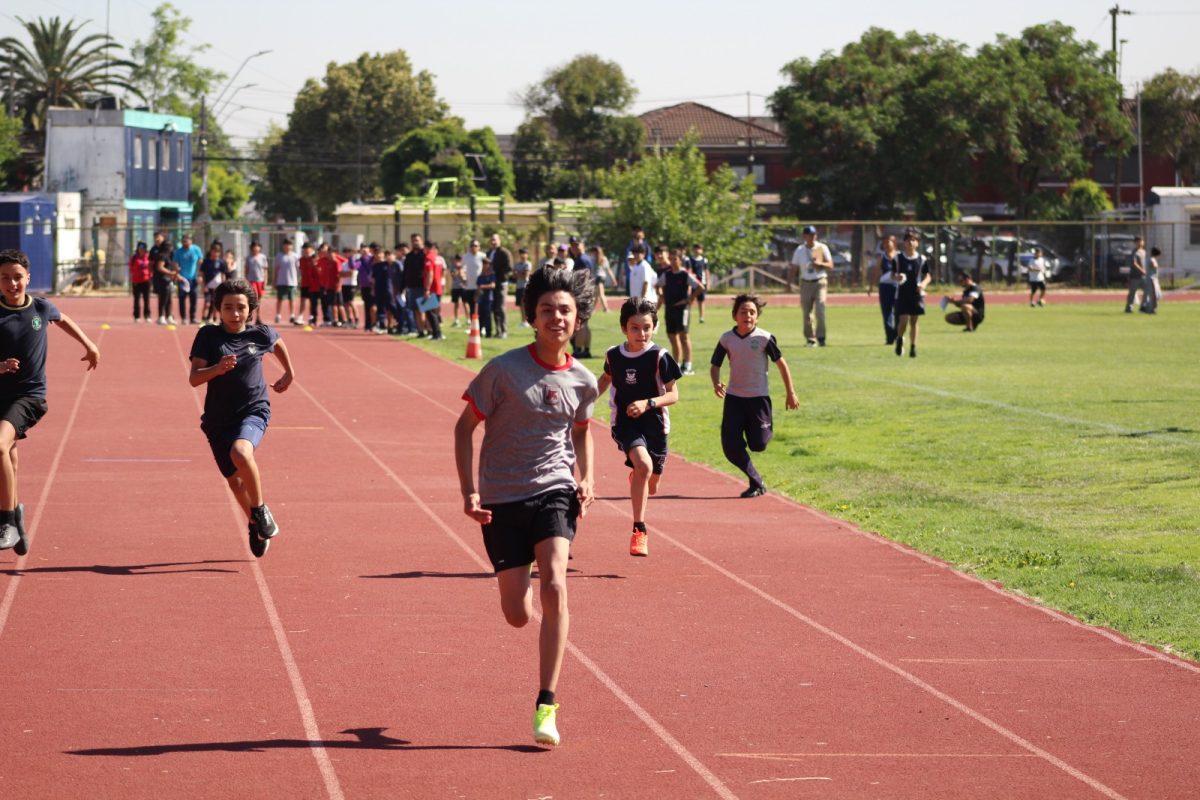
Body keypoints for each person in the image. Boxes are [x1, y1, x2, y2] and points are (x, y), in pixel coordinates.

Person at [453, 265, 598, 748]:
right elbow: (463, 428)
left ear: (578, 320)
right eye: (547, 310)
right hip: (501, 496)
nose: (556, 318)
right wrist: (468, 491)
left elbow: (580, 431)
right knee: (517, 612)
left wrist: (586, 477)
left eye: (565, 310)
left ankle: (546, 703)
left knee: (556, 582)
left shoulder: (582, 379)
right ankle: (524, 589)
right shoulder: (503, 370)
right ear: (532, 318)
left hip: (555, 490)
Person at [0, 249, 100, 554]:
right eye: (5, 278)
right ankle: (16, 515)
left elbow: (63, 318)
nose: (12, 283)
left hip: (29, 396)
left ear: (28, 278)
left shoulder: (41, 308)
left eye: (18, 277)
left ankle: (5, 520)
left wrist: (89, 344)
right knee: (10, 455)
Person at [188, 279, 295, 558]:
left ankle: (260, 511)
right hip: (217, 420)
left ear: (251, 310)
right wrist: (217, 369)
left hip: (254, 410)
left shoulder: (260, 334)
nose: (235, 314)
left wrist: (289, 372)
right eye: (228, 308)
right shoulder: (208, 336)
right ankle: (254, 523)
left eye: (241, 308)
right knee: (235, 482)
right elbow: (194, 379)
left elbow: (277, 341)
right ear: (218, 309)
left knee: (241, 451)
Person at [595, 298, 681, 557]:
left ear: (654, 327)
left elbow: (673, 394)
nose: (640, 333)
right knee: (643, 465)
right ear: (624, 328)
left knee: (651, 483)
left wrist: (648, 403)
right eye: (634, 328)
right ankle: (639, 530)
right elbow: (606, 379)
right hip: (624, 422)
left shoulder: (660, 357)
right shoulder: (613, 355)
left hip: (655, 424)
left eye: (646, 327)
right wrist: (583, 403)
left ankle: (640, 477)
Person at [710, 293, 799, 498]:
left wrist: (790, 393)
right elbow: (715, 366)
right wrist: (716, 383)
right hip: (734, 399)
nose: (747, 316)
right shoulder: (727, 339)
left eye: (752, 312)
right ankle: (756, 481)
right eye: (743, 312)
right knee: (731, 447)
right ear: (735, 316)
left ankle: (757, 440)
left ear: (757, 317)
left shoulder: (764, 338)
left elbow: (782, 365)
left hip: (758, 399)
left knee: (758, 444)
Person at [655, 246, 703, 375]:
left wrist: (689, 299)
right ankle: (676, 364)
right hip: (670, 309)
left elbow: (700, 287)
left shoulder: (685, 274)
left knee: (684, 336)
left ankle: (687, 364)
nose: (672, 261)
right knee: (672, 337)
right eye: (670, 259)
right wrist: (661, 296)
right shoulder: (667, 274)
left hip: (682, 310)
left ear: (680, 260)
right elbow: (657, 285)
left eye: (675, 259)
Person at [791, 225, 833, 347]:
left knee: (820, 309)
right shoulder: (800, 250)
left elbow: (830, 265)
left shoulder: (821, 247)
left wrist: (821, 263)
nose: (812, 237)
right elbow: (794, 267)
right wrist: (790, 282)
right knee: (806, 312)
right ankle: (810, 338)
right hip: (805, 283)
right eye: (809, 235)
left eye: (813, 235)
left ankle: (821, 337)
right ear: (804, 236)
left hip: (820, 281)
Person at [893, 229, 931, 358]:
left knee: (914, 321)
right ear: (904, 242)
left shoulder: (922, 259)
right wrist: (897, 278)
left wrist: (923, 285)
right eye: (908, 240)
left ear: (917, 243)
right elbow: (892, 275)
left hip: (916, 294)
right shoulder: (898, 258)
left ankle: (913, 347)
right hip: (902, 293)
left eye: (913, 240)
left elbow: (927, 276)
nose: (911, 243)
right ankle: (899, 338)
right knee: (903, 320)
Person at [172, 233, 203, 325]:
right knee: (182, 299)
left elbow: (201, 262)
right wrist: (178, 275)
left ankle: (192, 317)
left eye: (187, 241)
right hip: (182, 279)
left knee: (193, 298)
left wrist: (200, 275)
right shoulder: (178, 252)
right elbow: (175, 263)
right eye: (184, 241)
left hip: (193, 279)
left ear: (191, 241)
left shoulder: (196, 249)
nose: (185, 243)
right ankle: (183, 318)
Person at [487, 233, 512, 339]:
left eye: (495, 240)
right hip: (491, 284)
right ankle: (497, 331)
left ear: (499, 240)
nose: (493, 242)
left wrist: (498, 274)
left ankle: (504, 331)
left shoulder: (504, 252)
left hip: (501, 283)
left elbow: (509, 267)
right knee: (494, 308)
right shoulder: (489, 253)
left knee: (501, 307)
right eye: (491, 240)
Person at [876, 234, 899, 345]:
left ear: (894, 243)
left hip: (898, 286)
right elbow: (876, 272)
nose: (885, 244)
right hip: (885, 286)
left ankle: (897, 333)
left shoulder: (900, 256)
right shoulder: (882, 257)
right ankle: (890, 337)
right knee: (887, 312)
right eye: (884, 243)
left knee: (899, 311)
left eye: (888, 242)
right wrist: (872, 286)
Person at [403, 234, 428, 336]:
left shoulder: (425, 254)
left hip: (423, 286)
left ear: (421, 241)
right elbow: (406, 272)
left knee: (424, 309)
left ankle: (429, 329)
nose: (415, 242)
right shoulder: (409, 256)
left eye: (417, 240)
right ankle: (420, 330)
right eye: (413, 240)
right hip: (412, 286)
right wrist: (404, 286)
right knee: (415, 310)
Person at [198, 241, 226, 325]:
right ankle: (203, 319)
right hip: (208, 286)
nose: (215, 253)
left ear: (219, 253)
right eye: (214, 251)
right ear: (211, 251)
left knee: (215, 304)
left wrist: (223, 286)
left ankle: (214, 319)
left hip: (217, 287)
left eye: (217, 252)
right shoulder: (206, 262)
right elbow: (201, 274)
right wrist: (203, 285)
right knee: (207, 303)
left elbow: (223, 274)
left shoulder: (221, 262)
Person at [422, 241, 445, 340]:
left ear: (427, 247)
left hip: (432, 288)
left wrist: (427, 289)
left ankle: (437, 334)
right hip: (438, 287)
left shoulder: (429, 257)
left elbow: (430, 274)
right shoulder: (437, 258)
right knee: (434, 311)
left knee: (430, 312)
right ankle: (438, 333)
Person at [273, 239, 299, 325]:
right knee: (279, 299)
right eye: (286, 245)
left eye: (289, 245)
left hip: (292, 282)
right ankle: (278, 315)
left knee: (292, 299)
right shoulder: (279, 256)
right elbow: (276, 269)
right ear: (283, 246)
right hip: (281, 281)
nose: (287, 246)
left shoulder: (295, 256)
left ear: (292, 246)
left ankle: (292, 315)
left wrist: (299, 280)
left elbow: (298, 269)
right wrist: (275, 281)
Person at [685, 243, 709, 323]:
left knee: (701, 301)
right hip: (692, 282)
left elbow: (706, 272)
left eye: (699, 248)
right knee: (690, 299)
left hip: (701, 282)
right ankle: (687, 315)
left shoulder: (704, 260)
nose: (697, 250)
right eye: (696, 248)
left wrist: (708, 282)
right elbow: (689, 270)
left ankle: (701, 317)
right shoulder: (689, 260)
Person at [152, 248, 177, 325]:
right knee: (163, 299)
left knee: (169, 299)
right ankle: (161, 316)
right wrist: (170, 273)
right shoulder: (162, 256)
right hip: (162, 281)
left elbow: (174, 270)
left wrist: (175, 275)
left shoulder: (170, 257)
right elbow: (160, 267)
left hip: (169, 281)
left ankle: (169, 316)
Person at [129, 241, 152, 323]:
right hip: (136, 282)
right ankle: (136, 316)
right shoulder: (134, 258)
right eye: (140, 248)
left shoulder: (148, 257)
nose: (141, 250)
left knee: (146, 299)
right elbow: (131, 268)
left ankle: (147, 316)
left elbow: (151, 268)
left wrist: (150, 276)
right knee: (136, 299)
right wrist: (134, 277)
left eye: (143, 249)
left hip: (146, 281)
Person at [461, 239, 484, 321]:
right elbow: (461, 268)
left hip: (480, 286)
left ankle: (482, 326)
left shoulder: (482, 256)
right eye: (472, 246)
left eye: (475, 246)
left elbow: (486, 268)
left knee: (481, 307)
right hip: (469, 286)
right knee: (472, 307)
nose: (473, 247)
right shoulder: (465, 257)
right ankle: (473, 326)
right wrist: (463, 277)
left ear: (479, 247)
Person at [297, 242, 319, 326]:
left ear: (312, 250)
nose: (306, 251)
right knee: (303, 300)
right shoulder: (301, 259)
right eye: (305, 249)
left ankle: (311, 316)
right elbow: (301, 271)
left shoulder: (314, 258)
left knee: (312, 301)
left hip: (313, 284)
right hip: (304, 283)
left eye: (308, 249)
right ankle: (300, 316)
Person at [1124, 236, 1146, 313]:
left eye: (1142, 241)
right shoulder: (1135, 252)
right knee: (1132, 293)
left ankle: (1143, 307)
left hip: (1144, 277)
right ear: (1136, 243)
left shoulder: (1144, 252)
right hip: (1135, 276)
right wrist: (1142, 270)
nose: (1141, 243)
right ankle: (1129, 308)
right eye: (1139, 241)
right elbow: (1134, 263)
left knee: (1147, 291)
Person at [476, 257, 496, 338]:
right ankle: (479, 331)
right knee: (481, 316)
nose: (485, 265)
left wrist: (482, 286)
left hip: (488, 298)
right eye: (484, 264)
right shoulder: (480, 276)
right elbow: (477, 287)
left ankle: (489, 333)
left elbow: (493, 285)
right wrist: (476, 296)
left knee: (488, 316)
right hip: (481, 298)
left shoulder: (491, 275)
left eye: (486, 264)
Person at [588, 245, 611, 314]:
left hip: (597, 277)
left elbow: (590, 270)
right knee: (598, 294)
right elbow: (608, 269)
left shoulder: (592, 259)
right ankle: (605, 308)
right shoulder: (604, 258)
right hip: (601, 277)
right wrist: (613, 279)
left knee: (598, 294)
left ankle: (597, 309)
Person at [513, 248, 532, 327]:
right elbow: (514, 275)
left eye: (524, 253)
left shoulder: (528, 264)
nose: (522, 255)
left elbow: (525, 276)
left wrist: (518, 273)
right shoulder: (516, 264)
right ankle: (523, 320)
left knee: (524, 304)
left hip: (525, 286)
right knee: (520, 305)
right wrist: (520, 273)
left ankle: (527, 321)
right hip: (518, 286)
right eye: (521, 253)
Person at [1141, 246, 1162, 314]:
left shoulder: (1152, 259)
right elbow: (1154, 265)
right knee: (1153, 295)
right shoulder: (1151, 259)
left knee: (1158, 295)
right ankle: (1150, 309)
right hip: (1151, 280)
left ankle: (1146, 307)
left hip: (1154, 279)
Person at [449, 254, 468, 327]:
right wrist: (457, 269)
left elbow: (464, 278)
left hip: (463, 287)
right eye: (457, 260)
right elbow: (453, 276)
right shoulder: (452, 267)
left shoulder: (465, 266)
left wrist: (461, 270)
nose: (458, 261)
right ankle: (456, 320)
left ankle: (468, 319)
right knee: (456, 304)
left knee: (465, 303)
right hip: (455, 287)